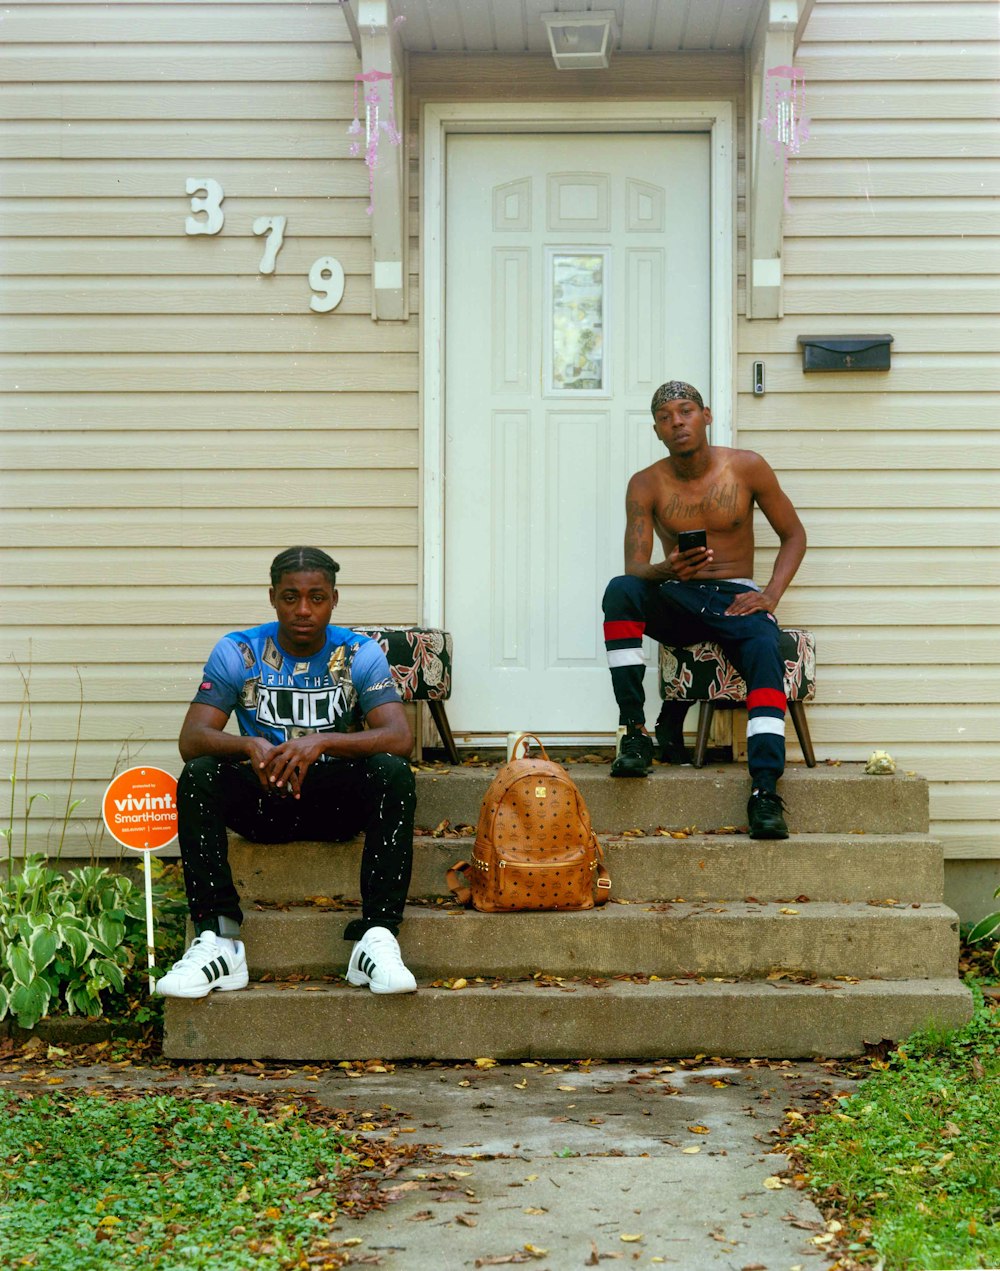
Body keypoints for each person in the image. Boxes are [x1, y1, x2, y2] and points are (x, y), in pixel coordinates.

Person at [157, 546, 418, 999]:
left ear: (334, 599)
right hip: (264, 799)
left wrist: (321, 742)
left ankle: (377, 937)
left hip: (335, 803)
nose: (303, 610)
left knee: (393, 771)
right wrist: (248, 745)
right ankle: (218, 940)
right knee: (200, 773)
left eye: (316, 597)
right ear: (272, 597)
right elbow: (192, 738)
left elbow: (398, 736)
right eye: (290, 597)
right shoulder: (240, 650)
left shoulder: (359, 653)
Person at [601, 382, 807, 839]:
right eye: (666, 417)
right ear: (656, 429)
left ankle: (766, 791)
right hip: (678, 595)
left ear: (706, 415)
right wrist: (665, 567)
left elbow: (794, 534)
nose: (677, 422)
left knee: (764, 650)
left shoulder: (747, 467)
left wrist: (770, 594)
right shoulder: (646, 483)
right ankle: (634, 732)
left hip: (735, 598)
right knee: (621, 591)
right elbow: (634, 567)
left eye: (686, 411)